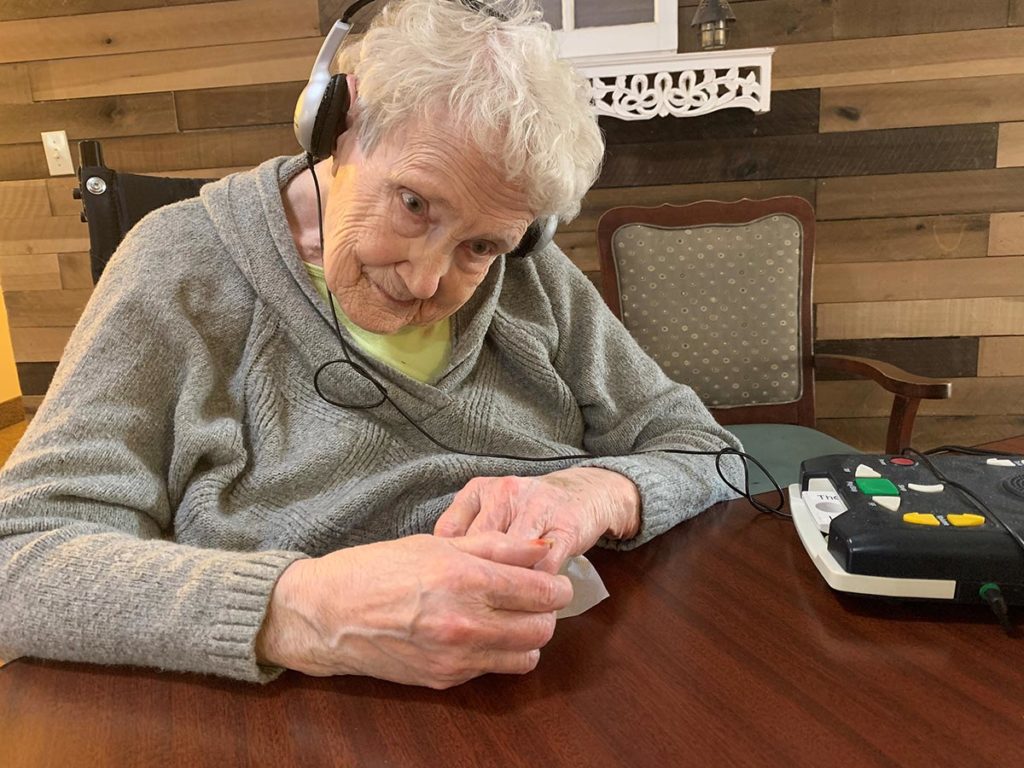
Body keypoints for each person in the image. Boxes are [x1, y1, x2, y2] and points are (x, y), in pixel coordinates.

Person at [0, 0, 742, 688]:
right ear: (339, 124)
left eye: (480, 245)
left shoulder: (532, 278)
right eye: (415, 204)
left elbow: (709, 451)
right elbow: (19, 560)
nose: (426, 281)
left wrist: (596, 490)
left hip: (563, 683)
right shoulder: (180, 265)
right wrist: (296, 611)